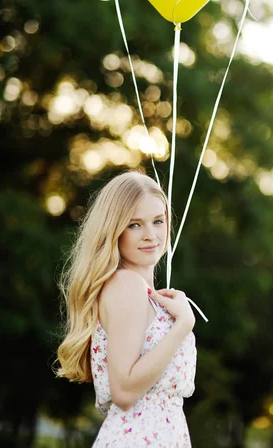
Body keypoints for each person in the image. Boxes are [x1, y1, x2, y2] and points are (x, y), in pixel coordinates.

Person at [56, 170, 197, 447]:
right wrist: (182, 326)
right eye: (134, 225)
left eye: (158, 221)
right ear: (114, 230)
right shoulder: (126, 285)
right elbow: (123, 390)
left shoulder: (139, 291)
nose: (150, 235)